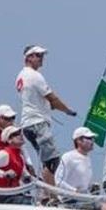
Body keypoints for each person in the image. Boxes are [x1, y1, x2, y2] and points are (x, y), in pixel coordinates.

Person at [16, 45, 77, 186]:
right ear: (29, 57)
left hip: (27, 125)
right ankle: (55, 193)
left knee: (46, 160)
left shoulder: (20, 76)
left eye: (42, 55)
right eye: (37, 55)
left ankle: (49, 193)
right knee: (53, 161)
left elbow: (33, 98)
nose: (41, 58)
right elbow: (52, 98)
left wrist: (48, 106)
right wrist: (68, 110)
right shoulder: (34, 75)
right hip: (38, 123)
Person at [55, 127, 106, 210]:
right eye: (89, 138)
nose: (92, 141)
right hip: (69, 200)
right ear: (78, 141)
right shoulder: (68, 157)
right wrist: (75, 191)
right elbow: (58, 181)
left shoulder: (87, 158)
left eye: (92, 138)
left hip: (83, 198)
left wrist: (92, 187)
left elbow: (84, 185)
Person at [0, 126, 33, 205]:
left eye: (20, 133)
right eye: (16, 134)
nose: (20, 135)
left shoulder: (20, 157)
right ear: (9, 140)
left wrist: (29, 178)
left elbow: (25, 175)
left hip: (13, 195)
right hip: (0, 196)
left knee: (36, 202)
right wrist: (3, 174)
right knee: (28, 203)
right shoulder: (4, 154)